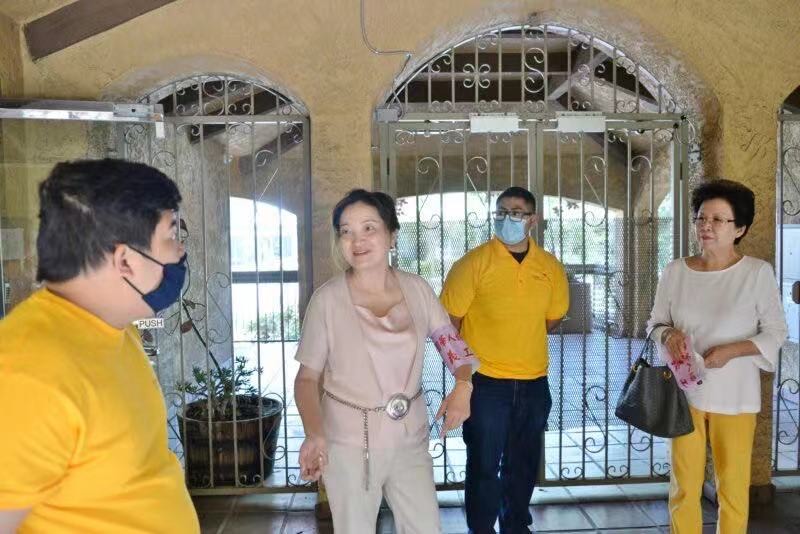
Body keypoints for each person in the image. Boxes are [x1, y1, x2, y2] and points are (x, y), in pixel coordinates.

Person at [0, 159, 199, 534]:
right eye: (172, 235)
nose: (180, 251)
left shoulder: (114, 329)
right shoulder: (27, 373)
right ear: (125, 260)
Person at [294, 188, 477, 533]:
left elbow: (452, 345)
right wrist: (314, 433)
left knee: (425, 528)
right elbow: (306, 379)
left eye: (369, 228)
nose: (357, 240)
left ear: (392, 235)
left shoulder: (417, 289)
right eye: (346, 231)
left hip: (410, 439)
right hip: (349, 442)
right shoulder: (327, 301)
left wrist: (463, 385)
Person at [647, 179, 787, 533]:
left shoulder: (756, 272)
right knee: (683, 487)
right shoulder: (675, 271)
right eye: (701, 218)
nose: (706, 226)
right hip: (685, 394)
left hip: (736, 396)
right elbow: (654, 323)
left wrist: (731, 351)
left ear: (740, 229)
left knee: (733, 490)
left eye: (718, 219)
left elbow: (776, 332)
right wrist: (668, 334)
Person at [440, 186, 569, 534]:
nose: (506, 219)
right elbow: (449, 322)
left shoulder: (550, 267)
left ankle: (515, 525)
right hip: (485, 385)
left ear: (533, 220)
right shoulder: (473, 264)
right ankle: (481, 529)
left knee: (523, 464)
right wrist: (464, 374)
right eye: (501, 213)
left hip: (534, 383)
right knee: (483, 465)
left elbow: (552, 319)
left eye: (516, 213)